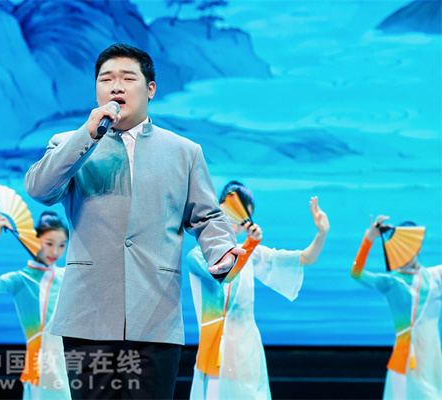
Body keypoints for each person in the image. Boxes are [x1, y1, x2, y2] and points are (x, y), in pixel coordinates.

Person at [24, 43, 243, 399]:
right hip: (87, 315)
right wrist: (87, 135)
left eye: (128, 78)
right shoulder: (69, 145)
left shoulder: (184, 152)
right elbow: (40, 189)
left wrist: (221, 251)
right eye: (106, 79)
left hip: (156, 314)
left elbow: (206, 215)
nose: (116, 87)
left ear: (150, 89)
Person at [187, 181, 330, 399]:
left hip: (247, 354)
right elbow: (226, 274)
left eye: (241, 217)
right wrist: (250, 245)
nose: (235, 223)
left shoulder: (251, 253)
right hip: (216, 353)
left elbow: (306, 258)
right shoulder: (197, 255)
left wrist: (322, 233)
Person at [0, 211, 71, 399]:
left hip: (67, 360)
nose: (55, 252)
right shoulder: (21, 279)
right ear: (34, 240)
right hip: (40, 363)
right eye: (49, 244)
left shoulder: (67, 276)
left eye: (62, 245)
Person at [351, 215, 442, 399]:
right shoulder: (391, 282)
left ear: (418, 247)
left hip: (431, 361)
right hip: (405, 361)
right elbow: (356, 273)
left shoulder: (435, 277)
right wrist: (369, 239)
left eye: (409, 248)